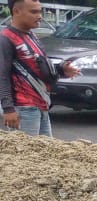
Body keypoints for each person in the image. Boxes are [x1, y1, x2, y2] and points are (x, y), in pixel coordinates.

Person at [0, 0, 79, 137]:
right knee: (27, 155)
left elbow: (37, 66)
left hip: (41, 105)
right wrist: (8, 109)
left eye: (40, 11)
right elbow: (2, 76)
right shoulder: (6, 39)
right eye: (34, 12)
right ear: (16, 12)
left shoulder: (31, 35)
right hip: (23, 108)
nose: (40, 16)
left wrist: (61, 69)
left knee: (45, 154)